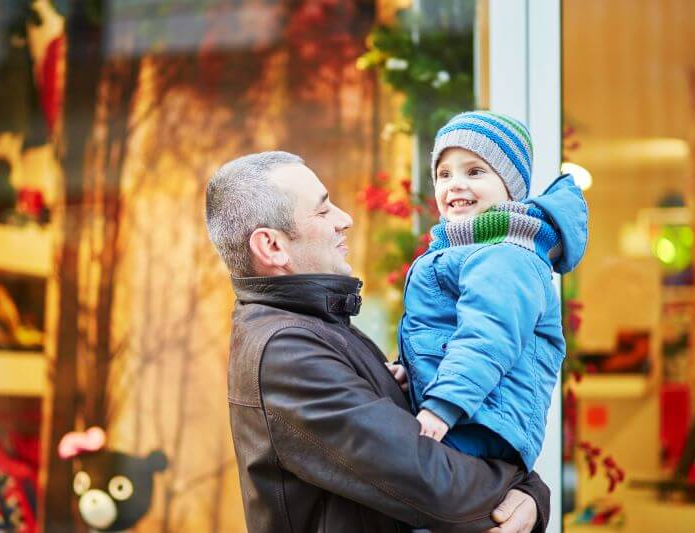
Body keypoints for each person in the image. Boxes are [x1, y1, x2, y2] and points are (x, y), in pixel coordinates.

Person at [205, 151, 551, 532]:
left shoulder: (318, 327)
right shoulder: (286, 353)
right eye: (323, 212)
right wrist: (528, 488)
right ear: (272, 246)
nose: (345, 219)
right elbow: (432, 481)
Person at [389, 111, 588, 473]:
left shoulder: (507, 255)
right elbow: (444, 329)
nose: (455, 184)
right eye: (444, 174)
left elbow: (488, 337)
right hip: (468, 411)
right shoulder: (468, 248)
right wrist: (410, 369)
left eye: (475, 171)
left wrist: (441, 405)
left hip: (481, 422)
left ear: (511, 186)